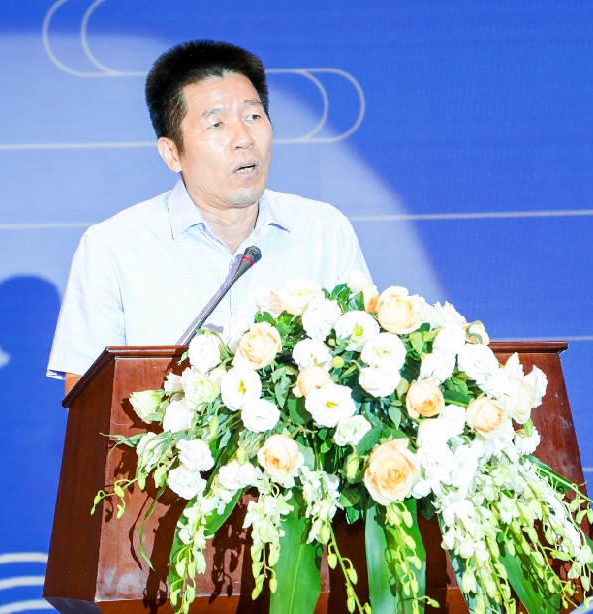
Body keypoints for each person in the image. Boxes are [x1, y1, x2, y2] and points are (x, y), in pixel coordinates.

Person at [48, 40, 370, 391]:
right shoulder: (112, 248)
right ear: (172, 153)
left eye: (253, 116)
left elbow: (366, 362)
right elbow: (86, 398)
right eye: (217, 124)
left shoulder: (323, 231)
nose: (243, 138)